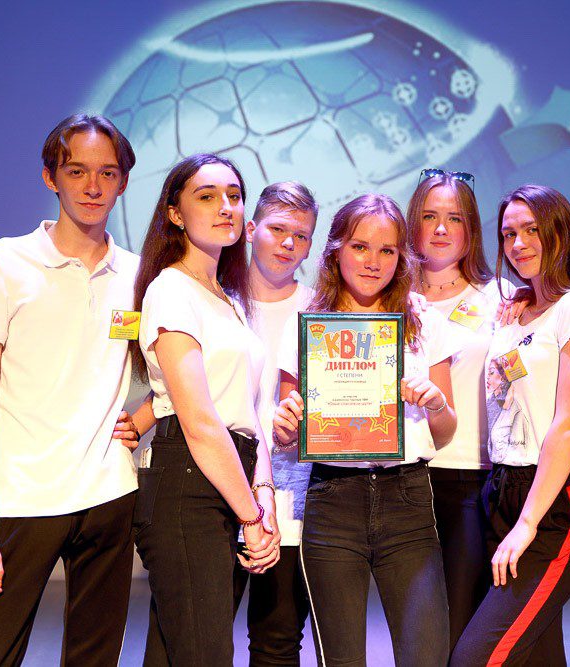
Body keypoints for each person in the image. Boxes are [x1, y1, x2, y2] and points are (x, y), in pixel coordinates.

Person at [0, 114, 155, 666]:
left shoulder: (138, 276)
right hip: (22, 496)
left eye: (107, 173)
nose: (92, 186)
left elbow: (175, 373)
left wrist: (145, 417)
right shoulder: (3, 262)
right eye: (76, 171)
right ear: (50, 177)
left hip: (109, 493)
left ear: (123, 182)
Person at [273, 193, 458, 667]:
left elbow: (444, 431)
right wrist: (285, 425)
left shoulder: (422, 320)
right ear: (336, 249)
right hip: (333, 501)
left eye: (387, 250)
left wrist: (436, 402)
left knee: (426, 657)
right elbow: (287, 434)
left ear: (402, 256)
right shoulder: (306, 324)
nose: (374, 262)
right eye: (360, 247)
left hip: (407, 500)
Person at [452, 185, 570, 667]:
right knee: (536, 655)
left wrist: (527, 523)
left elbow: (568, 424)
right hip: (502, 489)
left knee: (477, 658)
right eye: (508, 234)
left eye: (532, 230)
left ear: (559, 232)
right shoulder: (516, 312)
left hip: (555, 503)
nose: (518, 244)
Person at [132, 153, 280, 665]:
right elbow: (199, 421)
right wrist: (251, 515)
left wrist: (263, 494)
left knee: (176, 653)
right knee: (204, 652)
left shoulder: (227, 298)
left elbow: (249, 414)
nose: (225, 207)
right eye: (207, 196)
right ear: (175, 213)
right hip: (188, 484)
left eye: (234, 196)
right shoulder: (171, 289)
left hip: (227, 478)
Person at [404, 170, 513, 652]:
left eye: (455, 218)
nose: (441, 228)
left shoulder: (501, 299)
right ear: (412, 223)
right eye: (430, 216)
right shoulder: (389, 298)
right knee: (415, 625)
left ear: (472, 229)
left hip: (470, 476)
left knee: (461, 621)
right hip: (402, 476)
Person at [231, 181, 319, 665]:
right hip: (218, 491)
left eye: (301, 236)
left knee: (278, 640)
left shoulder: (321, 309)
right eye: (278, 229)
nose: (289, 243)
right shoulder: (216, 299)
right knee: (194, 638)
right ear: (250, 230)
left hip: (290, 501)